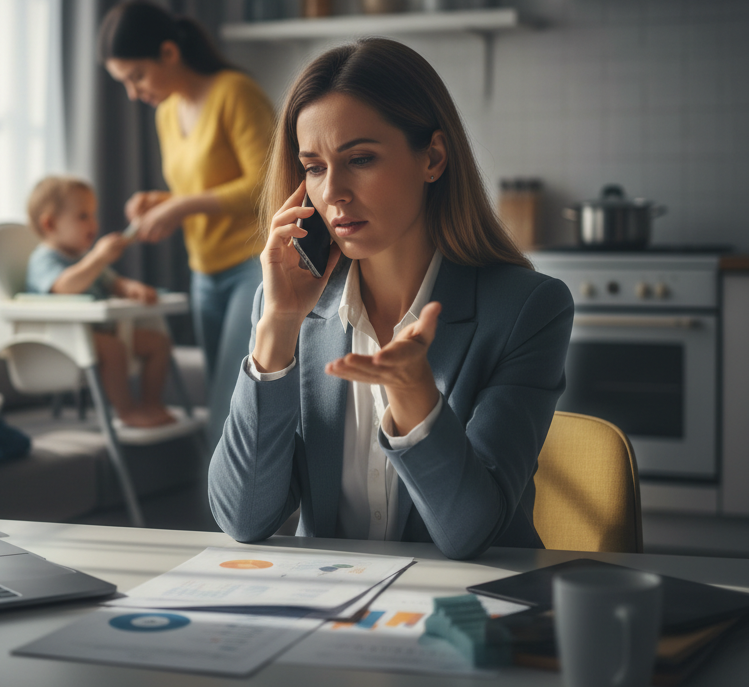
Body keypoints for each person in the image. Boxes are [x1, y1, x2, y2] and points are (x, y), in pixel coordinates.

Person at [208, 39, 574, 560]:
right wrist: (278, 328)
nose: (332, 192)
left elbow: (471, 534)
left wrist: (415, 400)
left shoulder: (526, 309)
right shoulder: (285, 303)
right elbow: (243, 518)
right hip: (332, 600)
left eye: (360, 159)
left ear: (433, 158)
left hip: (467, 599)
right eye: (314, 167)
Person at [99, 1, 275, 446]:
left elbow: (266, 183)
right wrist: (162, 202)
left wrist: (179, 207)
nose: (133, 93)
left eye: (137, 76)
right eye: (124, 83)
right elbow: (203, 188)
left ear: (169, 53)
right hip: (204, 271)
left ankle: (220, 494)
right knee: (221, 399)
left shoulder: (234, 92)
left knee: (230, 404)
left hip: (253, 264)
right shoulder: (166, 112)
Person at [25, 175, 175, 428]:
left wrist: (131, 288)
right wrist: (97, 258)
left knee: (158, 343)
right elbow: (63, 287)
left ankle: (151, 403)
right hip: (63, 336)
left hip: (104, 331)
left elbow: (113, 283)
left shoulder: (83, 258)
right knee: (113, 349)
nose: (93, 223)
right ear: (50, 223)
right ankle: (126, 411)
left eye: (93, 215)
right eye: (83, 216)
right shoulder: (45, 259)